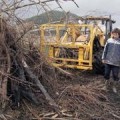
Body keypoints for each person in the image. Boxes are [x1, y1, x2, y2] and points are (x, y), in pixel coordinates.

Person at [102, 28, 120, 93]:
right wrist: (103, 58)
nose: (114, 35)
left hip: (116, 63)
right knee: (106, 74)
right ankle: (105, 86)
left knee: (115, 75)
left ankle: (114, 87)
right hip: (108, 61)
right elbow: (105, 50)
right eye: (113, 34)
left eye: (116, 34)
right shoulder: (109, 40)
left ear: (118, 34)